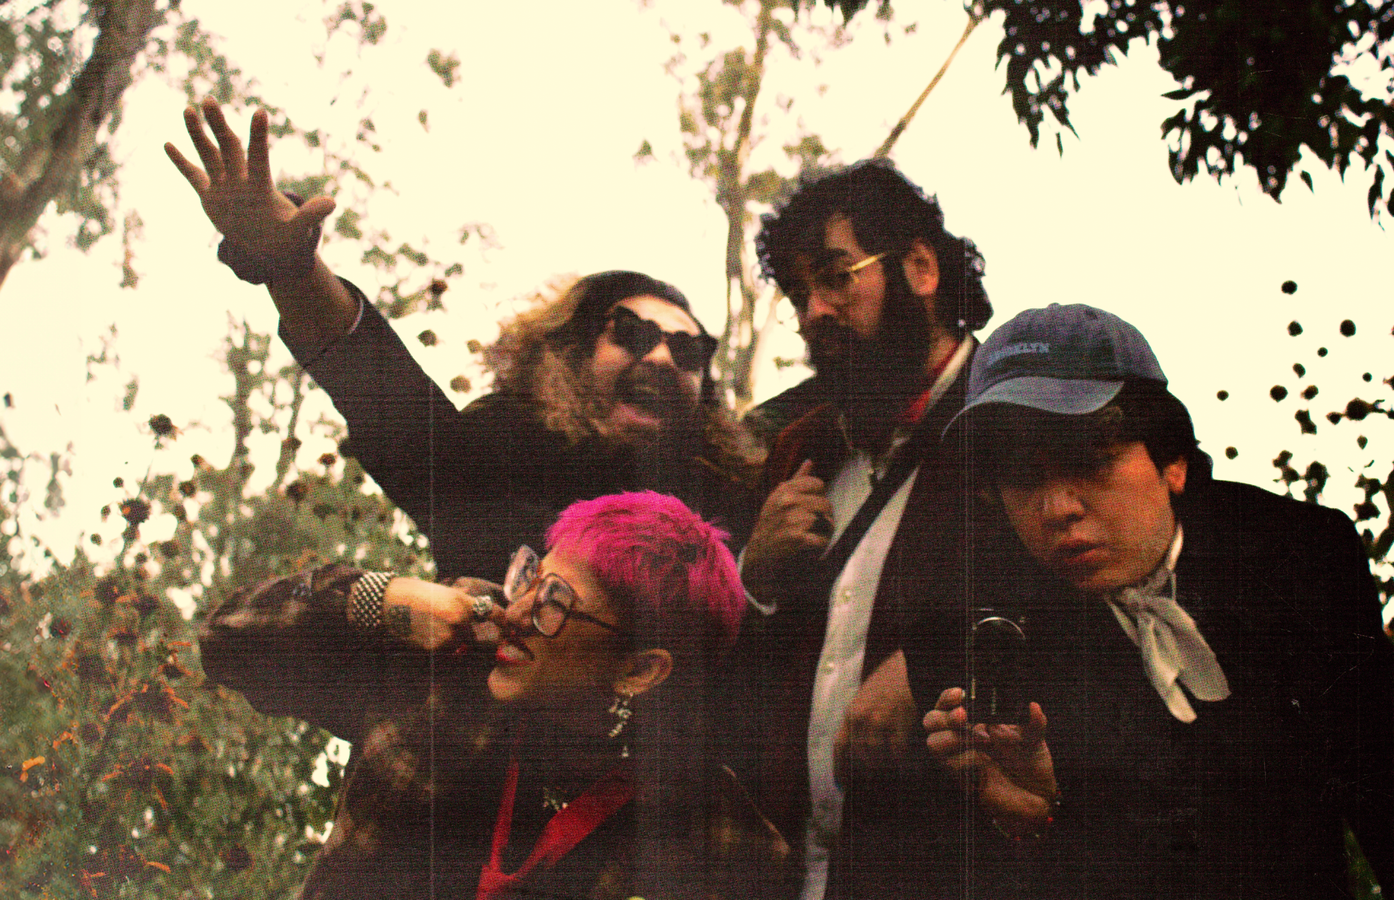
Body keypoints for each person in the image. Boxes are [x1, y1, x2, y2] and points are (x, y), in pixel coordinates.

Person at [912, 303, 1394, 899]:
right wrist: (1038, 813)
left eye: (1090, 460)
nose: (1057, 508)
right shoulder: (979, 619)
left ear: (1173, 460)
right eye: (1021, 476)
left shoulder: (1293, 559)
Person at [165, 99, 761, 581]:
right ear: (574, 353)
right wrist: (292, 269)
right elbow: (388, 396)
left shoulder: (737, 504)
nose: (662, 357)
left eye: (690, 350)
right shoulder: (495, 456)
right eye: (632, 332)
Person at [199, 491, 789, 900]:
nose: (518, 611)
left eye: (556, 602)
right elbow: (227, 642)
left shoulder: (697, 816)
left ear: (639, 670)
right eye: (531, 576)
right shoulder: (448, 665)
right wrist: (383, 597)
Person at [734, 159, 992, 898]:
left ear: (920, 268)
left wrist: (937, 661)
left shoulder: (1013, 423)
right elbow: (748, 682)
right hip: (795, 873)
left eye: (835, 277)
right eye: (799, 294)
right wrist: (755, 577)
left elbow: (1084, 604)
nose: (814, 311)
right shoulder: (799, 447)